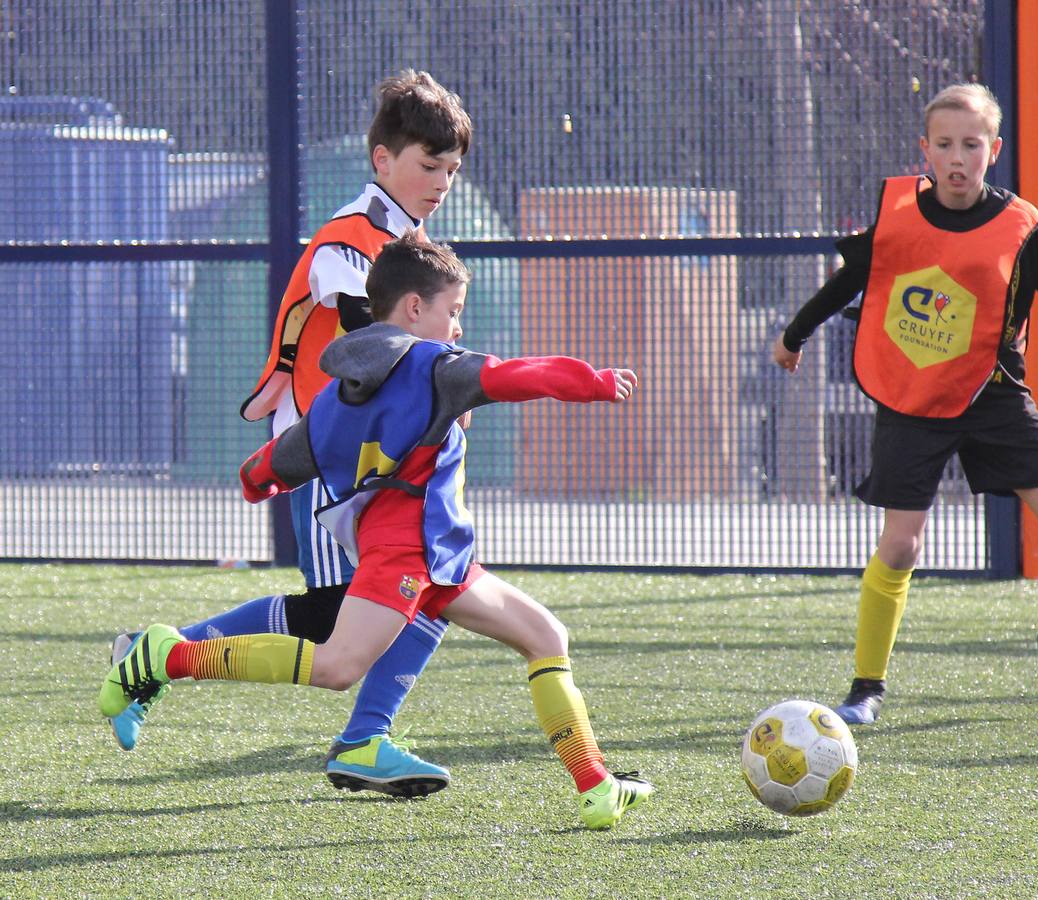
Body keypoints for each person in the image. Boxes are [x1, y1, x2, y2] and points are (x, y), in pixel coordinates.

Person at [101, 236, 653, 830]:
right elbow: (518, 374)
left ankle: (595, 785)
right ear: (414, 308)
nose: (458, 326)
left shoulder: (339, 393)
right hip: (406, 551)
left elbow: (283, 458)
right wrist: (589, 380)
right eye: (454, 310)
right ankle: (170, 656)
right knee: (338, 666)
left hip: (440, 557)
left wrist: (256, 480)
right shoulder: (436, 367)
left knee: (546, 634)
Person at [106, 71, 473, 798]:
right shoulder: (352, 235)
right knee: (351, 611)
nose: (441, 182)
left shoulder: (405, 238)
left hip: (369, 457)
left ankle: (361, 739)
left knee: (414, 592)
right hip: (330, 450)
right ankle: (162, 658)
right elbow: (364, 338)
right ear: (381, 161)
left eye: (452, 170)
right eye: (428, 166)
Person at [771, 83, 1038, 726]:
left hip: (994, 393)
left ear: (993, 150)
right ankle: (866, 687)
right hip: (914, 396)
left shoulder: (1019, 224)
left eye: (971, 144)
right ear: (926, 150)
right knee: (901, 548)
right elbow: (847, 284)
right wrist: (793, 336)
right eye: (945, 144)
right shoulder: (900, 216)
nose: (958, 157)